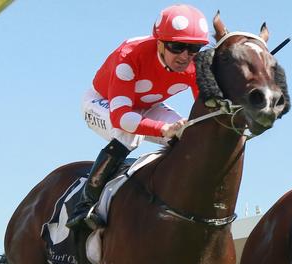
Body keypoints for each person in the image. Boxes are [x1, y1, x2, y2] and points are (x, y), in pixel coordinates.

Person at [67, 4, 210, 229]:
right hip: (103, 104)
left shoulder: (195, 65)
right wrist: (164, 130)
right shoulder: (130, 55)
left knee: (190, 135)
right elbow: (122, 118)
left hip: (148, 105)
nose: (185, 57)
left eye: (194, 49)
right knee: (128, 134)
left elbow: (207, 109)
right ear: (160, 42)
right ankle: (85, 204)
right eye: (177, 46)